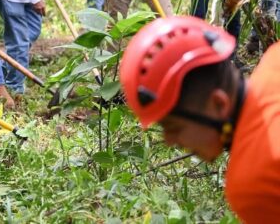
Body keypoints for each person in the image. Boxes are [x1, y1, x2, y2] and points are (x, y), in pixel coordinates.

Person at [120, 15, 280, 223]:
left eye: (174, 126)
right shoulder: (274, 58)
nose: (169, 140)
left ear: (219, 104)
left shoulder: (253, 182)